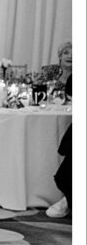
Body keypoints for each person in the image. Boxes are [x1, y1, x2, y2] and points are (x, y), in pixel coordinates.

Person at [46, 41, 72, 218]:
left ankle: (67, 201)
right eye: (66, 53)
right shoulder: (50, 73)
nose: (70, 56)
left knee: (64, 176)